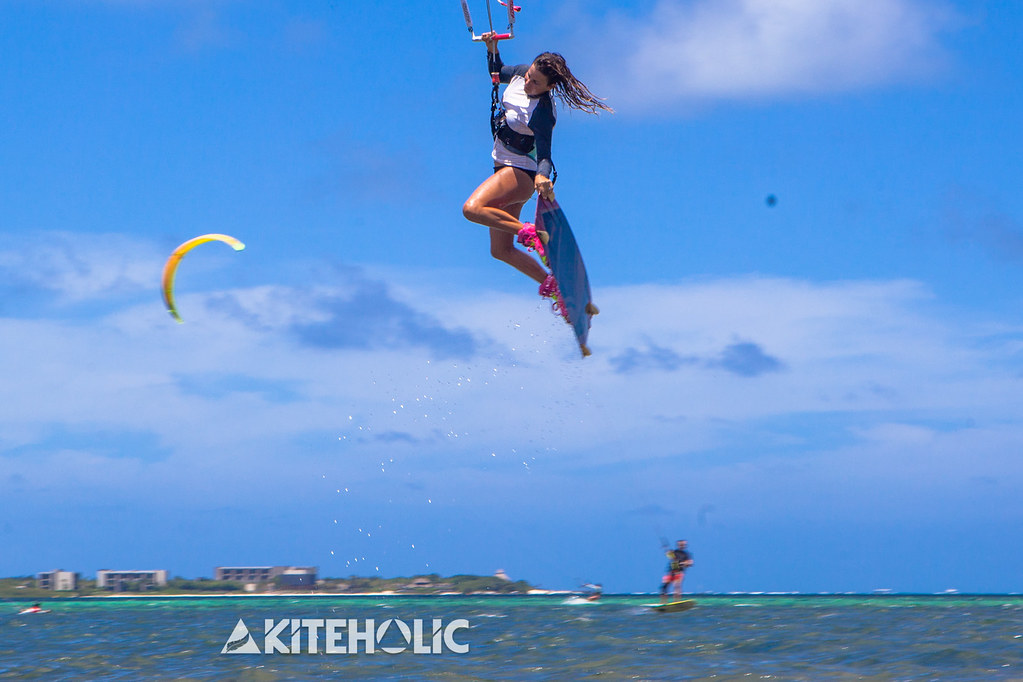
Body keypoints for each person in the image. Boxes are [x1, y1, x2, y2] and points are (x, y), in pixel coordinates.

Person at [462, 34, 612, 305]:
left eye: (536, 82)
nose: (528, 83)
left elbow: (545, 155)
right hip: (504, 170)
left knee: (472, 209)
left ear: (550, 86)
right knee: (501, 250)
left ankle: (535, 235)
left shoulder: (543, 112)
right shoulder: (521, 75)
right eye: (529, 76)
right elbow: (498, 73)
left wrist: (543, 176)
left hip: (519, 173)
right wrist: (492, 49)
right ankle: (554, 287)